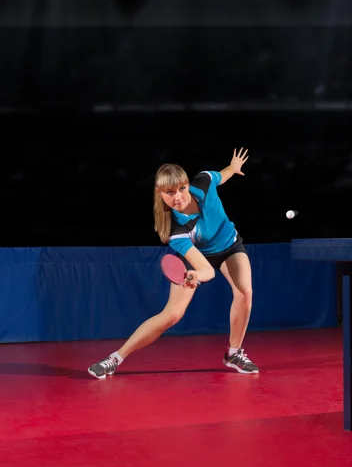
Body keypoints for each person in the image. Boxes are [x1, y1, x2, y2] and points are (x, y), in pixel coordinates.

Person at [88, 148, 259, 378]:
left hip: (229, 245)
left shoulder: (204, 182)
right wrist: (195, 276)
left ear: (188, 184)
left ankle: (234, 353)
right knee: (172, 315)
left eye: (182, 188)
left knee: (245, 293)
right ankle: (115, 358)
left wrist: (233, 168)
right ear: (160, 194)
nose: (178, 196)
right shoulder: (176, 232)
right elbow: (207, 269)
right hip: (196, 257)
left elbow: (222, 175)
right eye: (170, 192)